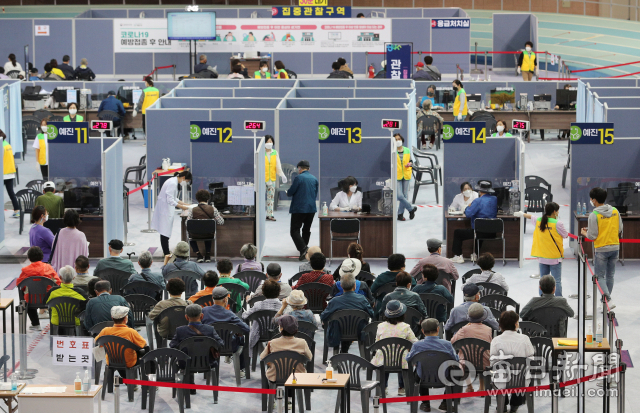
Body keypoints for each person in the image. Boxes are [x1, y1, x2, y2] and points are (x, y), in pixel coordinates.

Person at [582, 187, 622, 310]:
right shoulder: (615, 211)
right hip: (615, 247)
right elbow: (620, 228)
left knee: (599, 276)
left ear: (594, 200)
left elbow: (592, 235)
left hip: (601, 249)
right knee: (610, 276)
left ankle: (608, 299)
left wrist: (584, 233)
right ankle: (604, 302)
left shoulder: (594, 215)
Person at [405, 319, 458, 412]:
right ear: (438, 329)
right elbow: (456, 360)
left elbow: (408, 359)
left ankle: (425, 404)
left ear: (422, 331)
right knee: (456, 373)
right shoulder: (447, 344)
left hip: (423, 377)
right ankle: (445, 402)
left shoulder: (417, 345)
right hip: (443, 377)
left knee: (418, 371)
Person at [515, 202, 567, 295]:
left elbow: (530, 216)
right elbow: (565, 235)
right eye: (557, 211)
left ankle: (542, 299)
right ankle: (559, 301)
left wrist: (522, 214)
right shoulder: (558, 223)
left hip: (542, 257)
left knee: (543, 280)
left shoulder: (539, 220)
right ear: (554, 212)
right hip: (554, 257)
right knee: (557, 281)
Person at [490, 311, 535, 412]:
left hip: (501, 380)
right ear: (516, 324)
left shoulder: (496, 340)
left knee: (499, 376)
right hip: (521, 380)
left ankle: (502, 404)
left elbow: (493, 363)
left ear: (500, 325)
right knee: (521, 375)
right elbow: (531, 359)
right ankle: (515, 405)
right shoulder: (525, 339)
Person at [372, 300, 418, 396]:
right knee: (404, 358)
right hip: (401, 359)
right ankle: (402, 387)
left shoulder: (380, 326)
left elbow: (377, 344)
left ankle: (383, 387)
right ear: (403, 314)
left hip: (383, 359)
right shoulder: (406, 327)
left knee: (383, 358)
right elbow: (415, 342)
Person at [201, 286, 249, 377]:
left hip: (209, 346)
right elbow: (246, 329)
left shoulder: (204, 311)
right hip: (229, 346)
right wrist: (237, 332)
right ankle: (241, 368)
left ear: (212, 298)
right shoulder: (229, 314)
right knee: (241, 338)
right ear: (226, 299)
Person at [320, 272, 373, 352]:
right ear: (355, 286)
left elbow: (323, 316)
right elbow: (372, 314)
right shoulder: (362, 299)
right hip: (359, 331)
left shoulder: (334, 301)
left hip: (338, 333)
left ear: (341, 286)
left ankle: (343, 350)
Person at [169, 304, 224, 378]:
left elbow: (172, 346)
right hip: (208, 363)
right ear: (202, 316)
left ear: (186, 317)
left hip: (185, 364)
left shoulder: (180, 331)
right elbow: (220, 344)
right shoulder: (210, 329)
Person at [451, 180, 498, 264]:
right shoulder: (494, 199)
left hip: (480, 231)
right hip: (492, 232)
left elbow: (468, 214)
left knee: (458, 232)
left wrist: (466, 207)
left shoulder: (477, 201)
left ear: (480, 191)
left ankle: (458, 256)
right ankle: (475, 254)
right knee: (481, 229)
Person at [450, 303, 492, 393]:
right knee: (482, 353)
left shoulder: (464, 329)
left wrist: (465, 327)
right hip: (485, 363)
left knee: (463, 353)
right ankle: (482, 387)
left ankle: (469, 387)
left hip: (467, 363)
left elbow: (452, 342)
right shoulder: (488, 329)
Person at [95, 306, 147, 376]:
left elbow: (96, 341)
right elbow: (143, 344)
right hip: (128, 362)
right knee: (146, 350)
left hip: (111, 361)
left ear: (112, 318)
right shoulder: (131, 332)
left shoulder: (105, 330)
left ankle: (128, 381)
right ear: (125, 319)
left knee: (118, 353)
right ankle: (149, 378)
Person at [17, 247, 61, 330]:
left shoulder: (25, 270)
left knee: (26, 297)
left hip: (31, 300)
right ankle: (53, 323)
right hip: (48, 299)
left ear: (29, 258)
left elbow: (19, 284)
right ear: (42, 257)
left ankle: (35, 324)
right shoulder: (48, 268)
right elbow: (58, 282)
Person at [260, 315, 312, 382]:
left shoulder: (272, 343)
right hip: (297, 377)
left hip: (275, 376)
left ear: (281, 328)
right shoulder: (302, 342)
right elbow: (309, 357)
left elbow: (262, 358)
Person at [152, 170, 193, 255]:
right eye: (187, 181)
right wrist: (182, 207)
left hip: (166, 209)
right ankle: (166, 253)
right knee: (164, 231)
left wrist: (186, 204)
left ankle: (166, 251)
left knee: (165, 230)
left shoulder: (173, 181)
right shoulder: (173, 183)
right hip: (165, 210)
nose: (186, 183)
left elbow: (174, 198)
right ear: (184, 178)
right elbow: (170, 200)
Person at [287, 160, 318, 260]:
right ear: (309, 168)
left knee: (294, 230)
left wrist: (288, 192)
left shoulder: (298, 178)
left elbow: (291, 191)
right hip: (311, 208)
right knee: (306, 229)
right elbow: (315, 193)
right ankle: (303, 252)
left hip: (299, 208)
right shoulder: (314, 179)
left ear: (299, 168)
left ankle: (303, 248)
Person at [242, 280, 283, 353]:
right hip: (278, 334)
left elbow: (244, 316)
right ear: (279, 292)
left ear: (263, 293)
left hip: (259, 333)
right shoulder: (282, 306)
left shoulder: (258, 305)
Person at [187, 189, 224, 262]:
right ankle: (207, 255)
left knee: (190, 234)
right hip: (209, 235)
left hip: (195, 235)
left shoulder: (192, 210)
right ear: (208, 199)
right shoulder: (213, 209)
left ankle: (198, 255)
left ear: (197, 199)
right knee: (209, 230)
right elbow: (221, 222)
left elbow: (187, 223)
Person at [264, 135, 287, 221]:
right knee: (261, 198)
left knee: (271, 197)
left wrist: (282, 175)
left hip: (272, 178)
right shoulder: (261, 152)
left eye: (271, 141)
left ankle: (270, 215)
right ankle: (259, 215)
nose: (269, 143)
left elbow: (278, 165)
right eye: (267, 141)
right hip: (263, 179)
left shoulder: (274, 152)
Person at [394, 133, 417, 221]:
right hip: (397, 175)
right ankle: (411, 209)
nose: (398, 141)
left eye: (399, 139)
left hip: (406, 174)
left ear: (402, 140)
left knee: (404, 195)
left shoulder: (407, 150)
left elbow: (411, 160)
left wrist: (410, 163)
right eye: (396, 139)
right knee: (400, 196)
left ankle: (400, 215)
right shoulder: (392, 151)